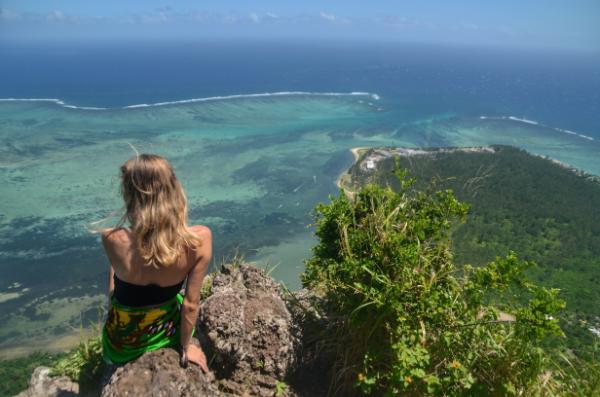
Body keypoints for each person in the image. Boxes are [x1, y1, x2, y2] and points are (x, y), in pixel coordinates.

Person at [100, 153, 211, 372]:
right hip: (165, 334)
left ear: (129, 196)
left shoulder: (112, 238)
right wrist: (186, 347)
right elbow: (190, 305)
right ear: (174, 190)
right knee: (177, 299)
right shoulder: (199, 239)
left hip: (119, 346)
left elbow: (114, 295)